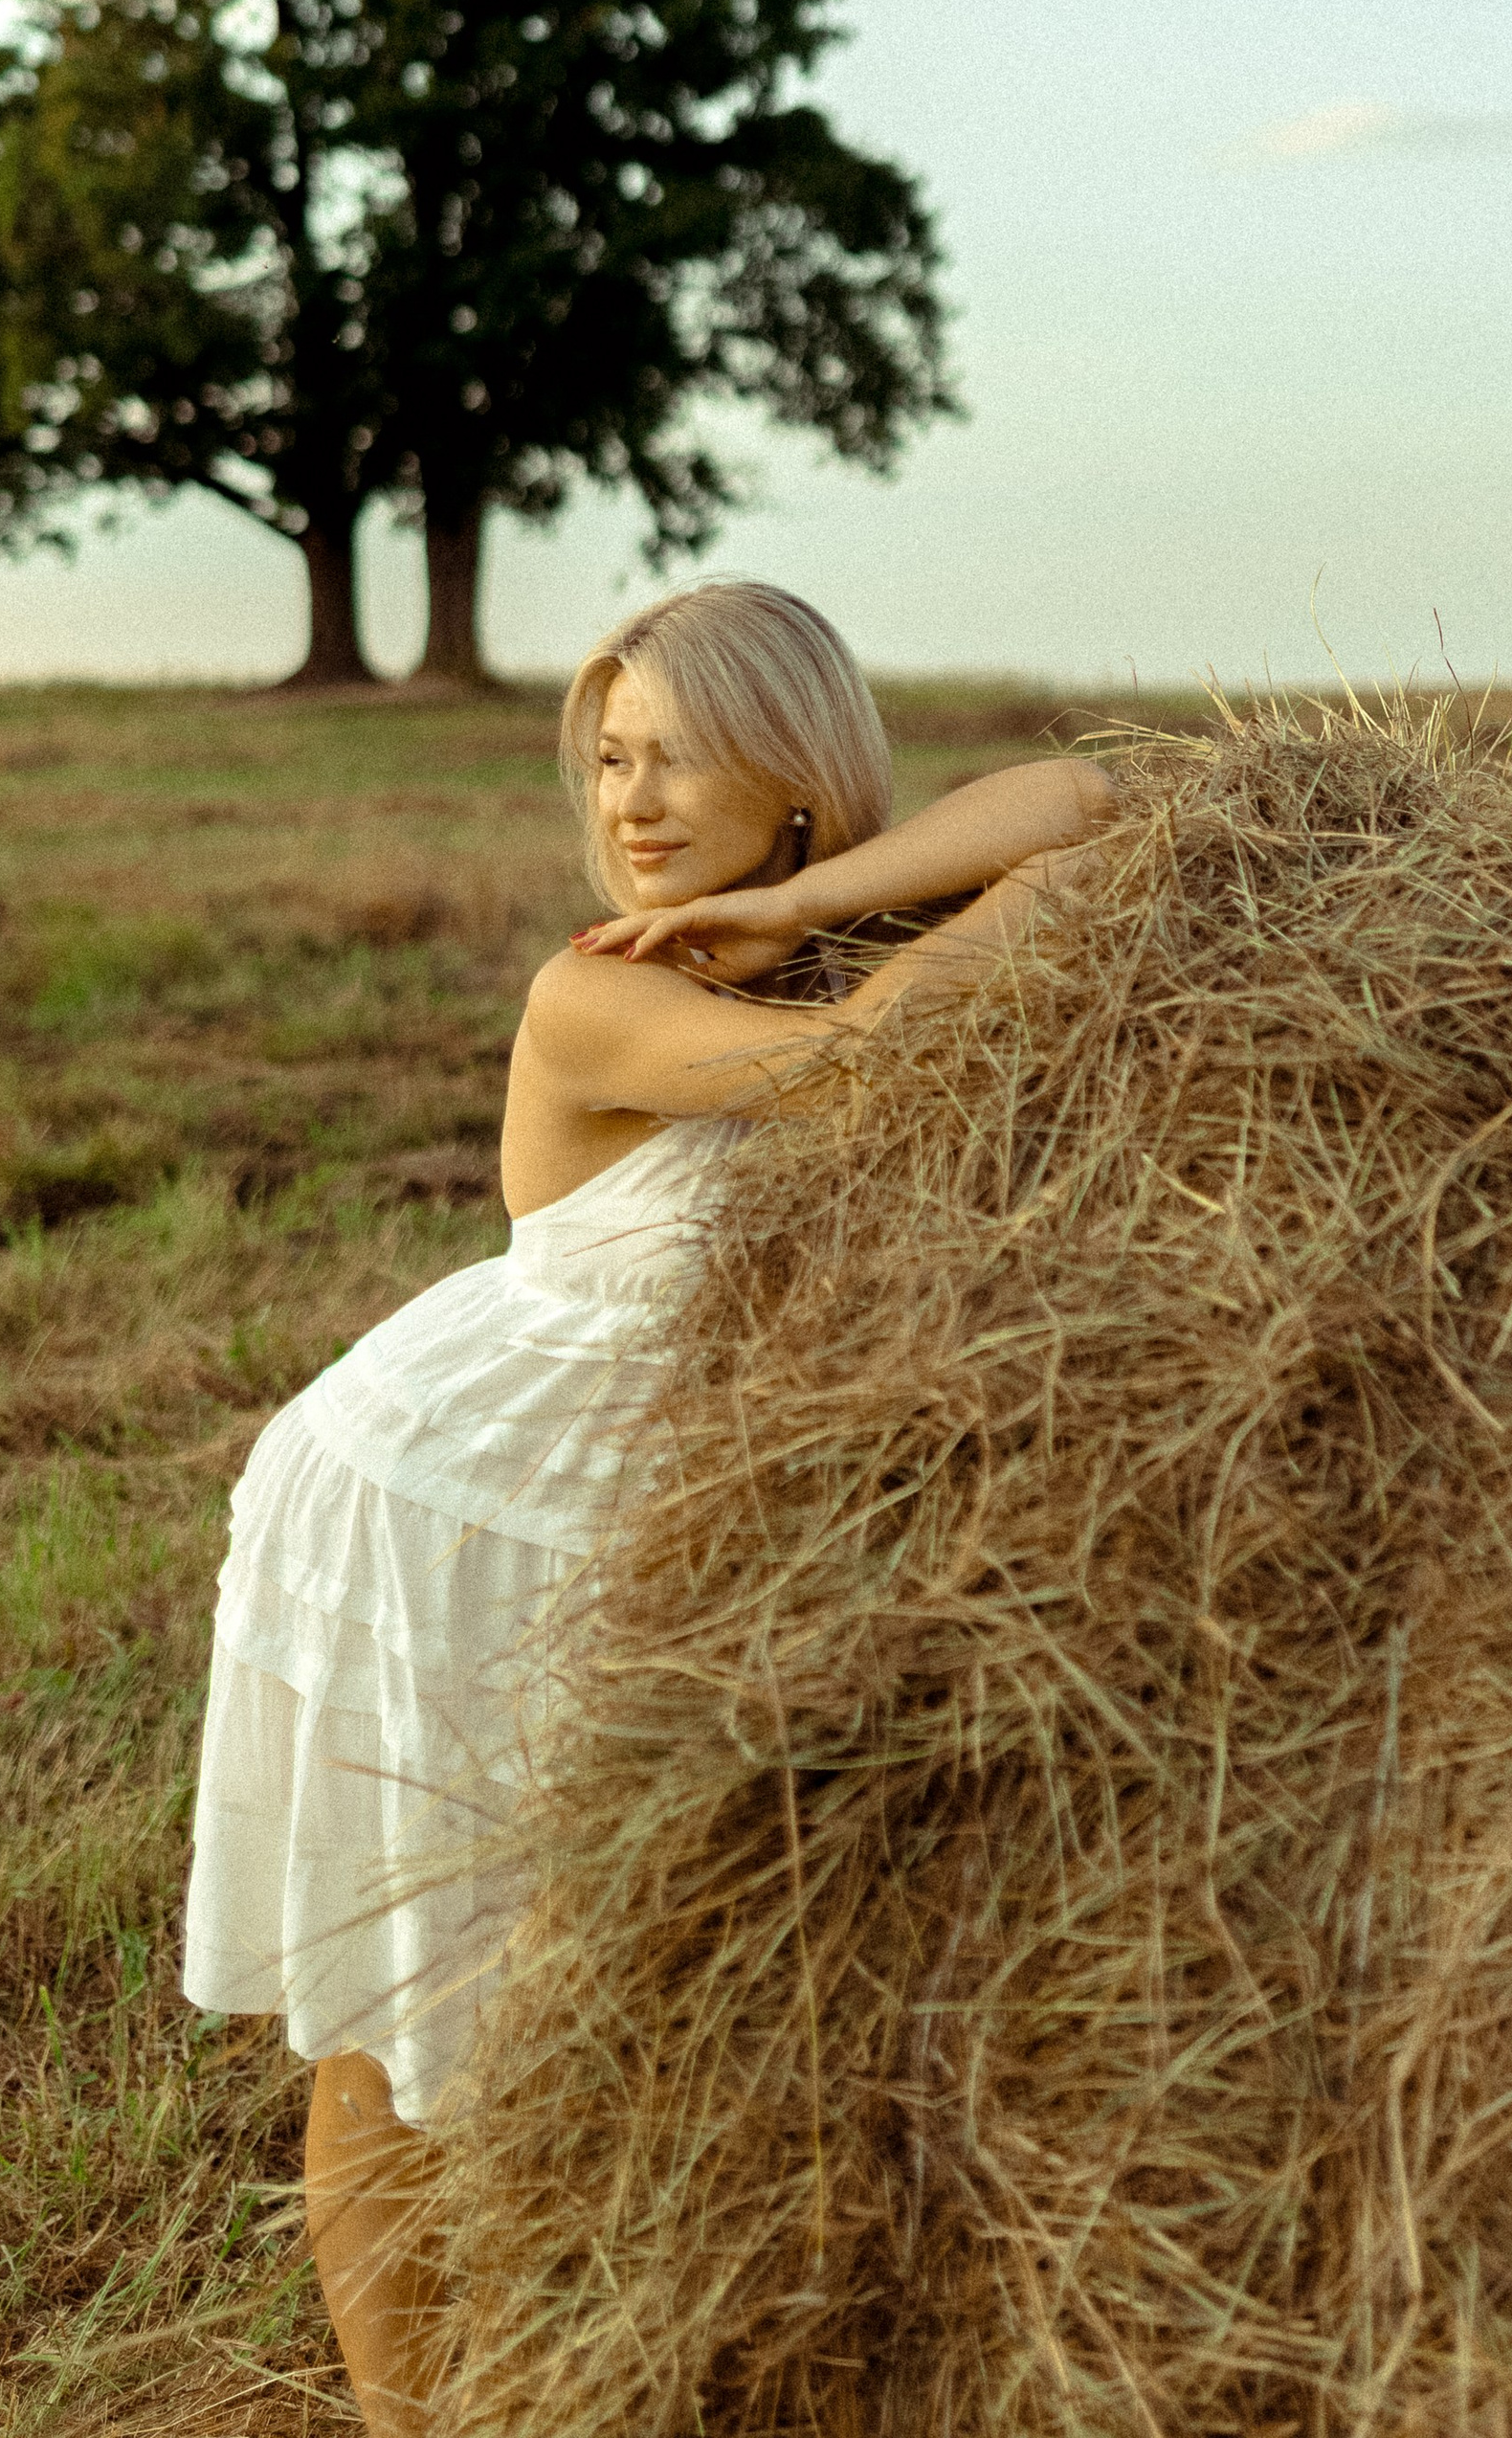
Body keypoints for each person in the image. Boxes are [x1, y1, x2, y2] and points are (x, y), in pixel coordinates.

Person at [182, 582, 1113, 2433]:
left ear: (797, 771)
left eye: (679, 752)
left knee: (619, 1982)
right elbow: (880, 1064)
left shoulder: (827, 935)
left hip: (636, 1527)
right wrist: (848, 934)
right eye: (609, 755)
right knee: (410, 2009)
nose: (633, 800)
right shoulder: (598, 992)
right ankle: (405, 2420)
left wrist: (804, 902)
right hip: (438, 1508)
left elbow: (1096, 811)